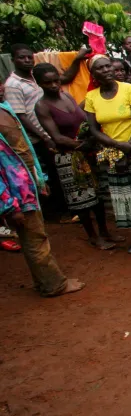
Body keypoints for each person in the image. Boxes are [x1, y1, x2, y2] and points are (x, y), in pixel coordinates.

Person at [0, 82, 85, 296]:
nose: (1, 87)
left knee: (35, 236)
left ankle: (45, 281)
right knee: (35, 238)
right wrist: (9, 205)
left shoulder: (4, 109)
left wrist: (38, 179)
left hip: (25, 186)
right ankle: (53, 284)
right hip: (15, 194)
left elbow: (24, 149)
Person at [33, 64, 117, 251]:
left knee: (97, 195)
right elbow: (56, 137)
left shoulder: (67, 96)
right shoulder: (41, 106)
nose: (54, 85)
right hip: (68, 157)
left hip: (87, 153)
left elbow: (84, 119)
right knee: (80, 199)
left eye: (56, 80)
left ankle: (104, 231)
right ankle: (93, 236)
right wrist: (81, 144)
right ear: (39, 84)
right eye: (48, 82)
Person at [84, 56, 131, 254]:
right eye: (100, 68)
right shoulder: (92, 97)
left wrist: (127, 151)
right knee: (126, 197)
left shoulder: (129, 90)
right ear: (93, 75)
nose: (107, 70)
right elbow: (94, 130)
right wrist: (118, 146)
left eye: (108, 65)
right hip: (112, 152)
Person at [4, 43, 70, 222]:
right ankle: (56, 213)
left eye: (29, 57)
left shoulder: (36, 78)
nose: (26, 60)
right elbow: (20, 116)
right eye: (21, 57)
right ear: (13, 60)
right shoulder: (13, 84)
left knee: (59, 171)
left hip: (50, 133)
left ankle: (65, 208)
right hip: (38, 138)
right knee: (50, 175)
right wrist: (43, 136)